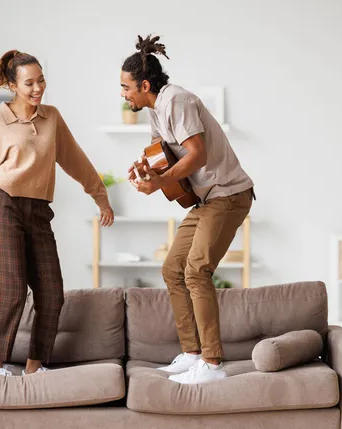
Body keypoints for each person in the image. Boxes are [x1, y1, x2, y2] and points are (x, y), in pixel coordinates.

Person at [0, 49, 114, 376]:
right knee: (12, 291)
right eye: (29, 83)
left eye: (41, 81)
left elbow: (76, 161)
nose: (38, 89)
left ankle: (34, 369)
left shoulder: (52, 118)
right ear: (12, 84)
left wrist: (100, 197)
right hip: (3, 205)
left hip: (38, 212)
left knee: (52, 294)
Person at [121, 35, 255, 384]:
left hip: (228, 194)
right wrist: (146, 173)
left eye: (126, 87)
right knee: (172, 268)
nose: (123, 94)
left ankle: (212, 365)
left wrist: (159, 177)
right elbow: (163, 158)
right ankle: (193, 353)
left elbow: (197, 155)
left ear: (145, 85)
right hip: (206, 200)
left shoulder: (176, 100)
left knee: (196, 270)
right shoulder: (155, 110)